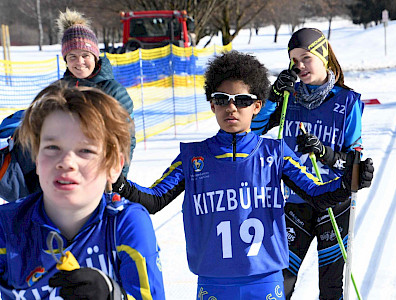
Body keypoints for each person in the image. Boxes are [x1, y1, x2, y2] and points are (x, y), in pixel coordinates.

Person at [112, 50, 374, 300]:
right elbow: (155, 199)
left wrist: (350, 181)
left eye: (243, 100)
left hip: (265, 282)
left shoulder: (275, 153)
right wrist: (118, 183)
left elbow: (317, 194)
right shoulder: (194, 158)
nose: (232, 107)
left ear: (257, 106)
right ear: (212, 104)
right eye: (222, 99)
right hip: (214, 284)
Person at [0, 83, 165, 299]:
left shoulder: (126, 224)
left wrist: (113, 295)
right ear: (37, 160)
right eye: (52, 148)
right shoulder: (7, 225)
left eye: (85, 150)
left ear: (114, 166)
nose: (66, 162)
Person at [251, 28, 366, 299]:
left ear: (323, 55)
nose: (299, 65)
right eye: (294, 60)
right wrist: (272, 97)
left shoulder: (348, 102)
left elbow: (355, 167)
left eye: (306, 57)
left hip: (334, 205)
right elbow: (252, 131)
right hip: (295, 203)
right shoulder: (288, 97)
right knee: (280, 284)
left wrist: (325, 153)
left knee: (330, 289)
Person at [57, 8, 135, 177]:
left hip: (102, 173)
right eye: (72, 56)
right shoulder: (59, 90)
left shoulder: (113, 91)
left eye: (85, 55)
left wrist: (118, 179)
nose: (79, 62)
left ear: (95, 57)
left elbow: (126, 139)